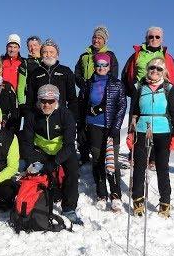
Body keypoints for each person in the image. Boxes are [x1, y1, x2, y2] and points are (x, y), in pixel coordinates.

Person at [20, 84, 83, 225]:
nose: (47, 105)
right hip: (41, 151)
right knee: (33, 170)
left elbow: (69, 145)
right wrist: (33, 160)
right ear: (38, 101)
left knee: (72, 172)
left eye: (51, 101)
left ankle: (69, 208)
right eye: (43, 101)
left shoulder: (66, 115)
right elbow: (27, 143)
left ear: (57, 101)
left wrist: (55, 162)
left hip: (63, 151)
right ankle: (42, 197)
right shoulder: (32, 115)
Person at [127, 58, 174, 218]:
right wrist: (131, 132)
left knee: (162, 168)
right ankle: (137, 200)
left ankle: (165, 202)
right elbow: (134, 111)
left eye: (158, 69)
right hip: (142, 129)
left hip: (163, 131)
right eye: (152, 68)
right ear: (147, 69)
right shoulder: (139, 87)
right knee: (139, 166)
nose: (155, 71)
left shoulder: (168, 88)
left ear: (163, 71)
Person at [78, 52, 126, 212]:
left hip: (111, 127)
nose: (101, 67)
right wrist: (82, 126)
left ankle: (116, 194)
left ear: (109, 66)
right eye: (98, 65)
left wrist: (116, 126)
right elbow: (82, 105)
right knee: (98, 160)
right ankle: (101, 193)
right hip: (93, 126)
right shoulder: (88, 83)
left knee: (113, 162)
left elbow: (122, 106)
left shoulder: (116, 84)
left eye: (104, 65)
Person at [74, 24, 119, 165]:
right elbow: (77, 72)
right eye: (95, 37)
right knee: (82, 123)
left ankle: (102, 154)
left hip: (102, 94)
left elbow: (114, 74)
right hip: (85, 94)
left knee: (99, 124)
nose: (96, 40)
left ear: (105, 40)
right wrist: (83, 83)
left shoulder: (110, 55)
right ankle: (84, 154)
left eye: (100, 38)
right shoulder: (84, 55)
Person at [25, 38, 78, 122]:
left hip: (60, 117)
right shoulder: (35, 73)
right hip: (39, 118)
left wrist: (73, 119)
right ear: (41, 54)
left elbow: (72, 99)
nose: (48, 55)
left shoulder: (66, 71)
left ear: (57, 54)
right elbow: (30, 100)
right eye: (45, 52)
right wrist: (29, 119)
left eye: (51, 52)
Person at [121, 25, 174, 99]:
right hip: (139, 95)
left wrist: (168, 94)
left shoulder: (168, 57)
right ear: (146, 39)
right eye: (151, 37)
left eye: (157, 37)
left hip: (160, 97)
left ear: (161, 40)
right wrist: (132, 91)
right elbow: (125, 74)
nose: (154, 39)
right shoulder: (137, 55)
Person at [17, 35, 42, 118]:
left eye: (35, 45)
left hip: (46, 99)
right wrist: (22, 104)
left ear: (40, 46)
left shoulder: (47, 61)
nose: (32, 48)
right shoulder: (25, 64)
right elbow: (20, 87)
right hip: (31, 101)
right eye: (30, 46)